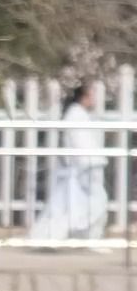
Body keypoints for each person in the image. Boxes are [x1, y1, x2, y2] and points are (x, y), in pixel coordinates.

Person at [33, 79, 108, 241]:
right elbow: (81, 143)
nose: (94, 99)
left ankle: (82, 237)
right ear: (84, 97)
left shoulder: (78, 114)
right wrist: (89, 163)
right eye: (91, 95)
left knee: (75, 204)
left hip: (84, 166)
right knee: (91, 203)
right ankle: (77, 237)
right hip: (84, 167)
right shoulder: (75, 115)